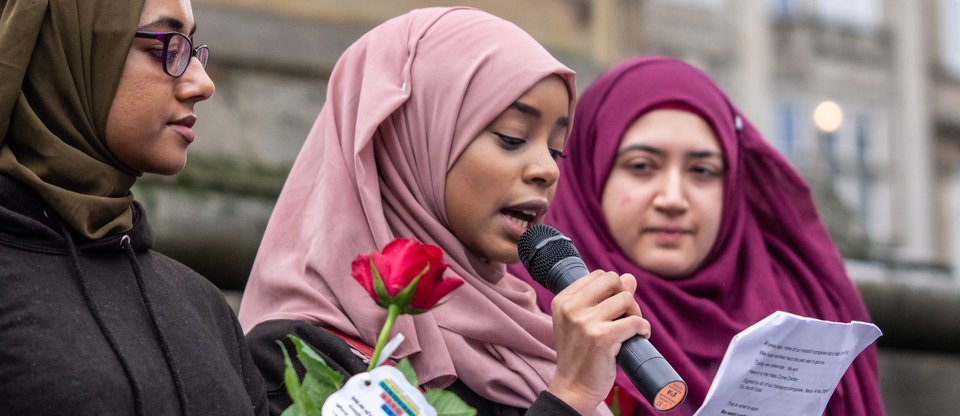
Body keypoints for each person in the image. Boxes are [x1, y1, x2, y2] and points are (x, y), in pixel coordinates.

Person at [238, 7, 649, 416]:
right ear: (408, 139)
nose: (546, 170)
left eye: (556, 149)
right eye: (512, 137)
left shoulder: (532, 345)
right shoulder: (297, 354)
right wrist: (569, 397)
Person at [510, 56, 885, 415]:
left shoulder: (809, 311)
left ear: (732, 185)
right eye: (641, 166)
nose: (673, 198)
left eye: (702, 171)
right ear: (591, 173)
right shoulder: (522, 312)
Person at [0, 0, 267, 414]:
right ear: (64, 53)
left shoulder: (201, 305)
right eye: (167, 48)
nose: (202, 83)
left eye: (193, 50)